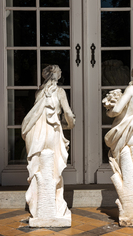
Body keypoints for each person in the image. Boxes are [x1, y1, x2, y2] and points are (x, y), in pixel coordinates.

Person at [22, 65, 75, 218]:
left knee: (38, 166)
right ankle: (53, 204)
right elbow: (69, 113)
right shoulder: (60, 92)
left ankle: (39, 206)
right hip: (52, 130)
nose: (61, 74)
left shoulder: (39, 93)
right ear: (56, 75)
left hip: (36, 132)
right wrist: (69, 124)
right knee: (53, 168)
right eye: (60, 72)